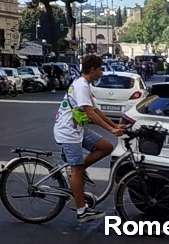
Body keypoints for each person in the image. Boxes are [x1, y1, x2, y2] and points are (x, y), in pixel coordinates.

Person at [54, 53, 126, 224]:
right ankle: (81, 211)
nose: (102, 73)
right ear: (92, 69)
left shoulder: (84, 85)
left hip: (77, 129)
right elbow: (90, 114)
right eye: (100, 69)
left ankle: (78, 171)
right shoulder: (82, 86)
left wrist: (115, 126)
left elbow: (96, 110)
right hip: (68, 131)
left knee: (106, 147)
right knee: (76, 170)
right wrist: (110, 128)